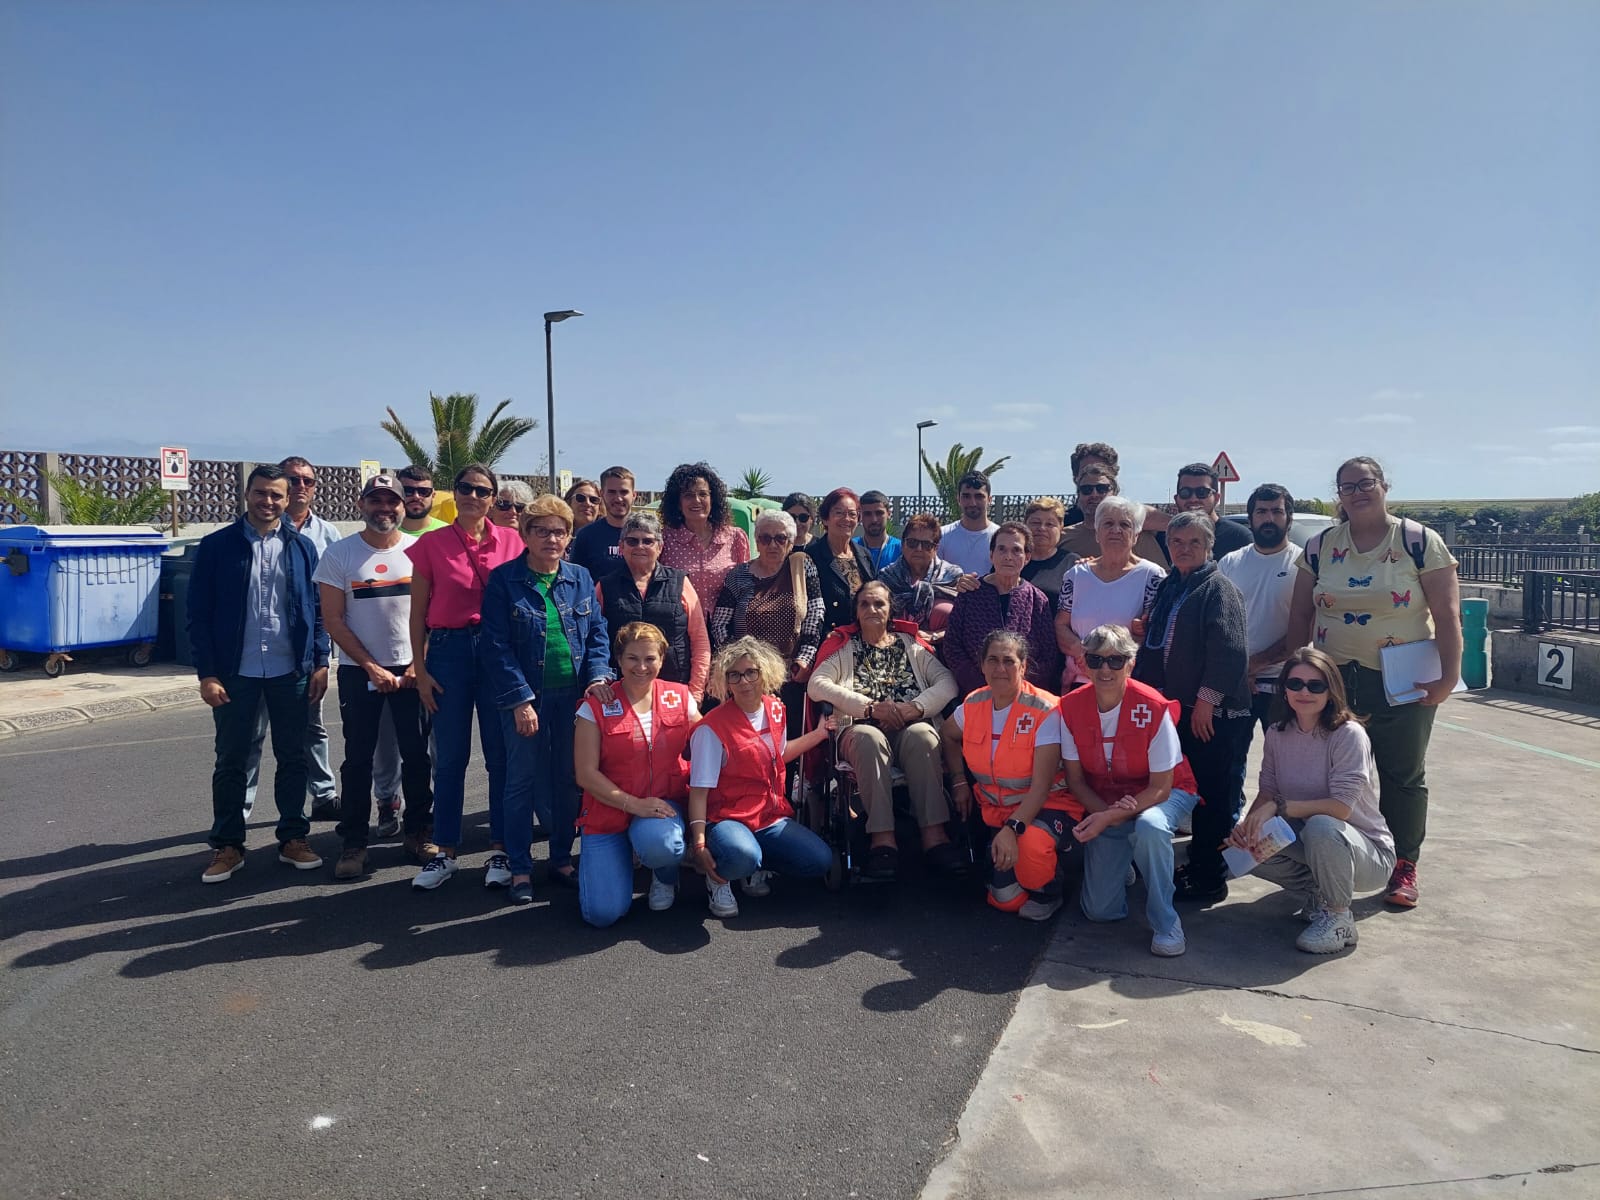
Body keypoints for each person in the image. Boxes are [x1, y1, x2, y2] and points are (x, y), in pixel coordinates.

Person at [1287, 455, 1460, 909]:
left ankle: (1403, 863)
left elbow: (1447, 615)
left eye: (1365, 483)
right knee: (1332, 773)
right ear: (1338, 495)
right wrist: (1297, 676)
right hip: (1333, 681)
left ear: (1384, 486)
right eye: (1347, 487)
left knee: (1402, 773)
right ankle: (1330, 862)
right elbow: (1301, 615)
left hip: (1403, 679)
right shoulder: (1320, 546)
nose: (1357, 492)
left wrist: (1448, 677)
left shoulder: (1419, 541)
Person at [187, 464, 329, 883]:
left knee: (294, 757)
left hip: (291, 670)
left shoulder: (302, 548)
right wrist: (207, 674)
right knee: (232, 759)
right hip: (236, 672)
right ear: (247, 495)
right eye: (261, 493)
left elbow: (318, 610)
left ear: (288, 500)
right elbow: (198, 616)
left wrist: (321, 661)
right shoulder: (217, 546)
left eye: (276, 495)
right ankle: (228, 845)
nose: (268, 501)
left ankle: (293, 838)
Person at [482, 496, 614, 901]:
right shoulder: (504, 580)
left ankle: (560, 858)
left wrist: (597, 676)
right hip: (526, 698)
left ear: (569, 536)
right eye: (541, 531)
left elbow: (597, 632)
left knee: (568, 779)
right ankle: (520, 868)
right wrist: (520, 701)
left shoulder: (580, 577)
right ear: (525, 534)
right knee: (521, 782)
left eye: (559, 531)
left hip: (572, 698)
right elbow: (495, 646)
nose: (551, 539)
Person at [1228, 648, 1396, 954]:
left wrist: (1280, 807)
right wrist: (1247, 828)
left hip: (1367, 854)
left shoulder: (1348, 735)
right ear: (1284, 689)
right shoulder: (1277, 733)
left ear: (1331, 691)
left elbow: (1341, 808)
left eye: (1315, 685)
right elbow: (1267, 792)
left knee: (1321, 826)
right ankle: (1318, 895)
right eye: (1295, 684)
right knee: (1247, 846)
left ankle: (1339, 918)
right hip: (1312, 841)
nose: (1304, 692)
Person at [407, 462, 524, 889]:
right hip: (449, 650)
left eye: (482, 490)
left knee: (500, 756)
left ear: (493, 499)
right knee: (451, 756)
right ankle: (445, 852)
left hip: (496, 651)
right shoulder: (432, 543)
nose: (473, 496)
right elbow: (416, 613)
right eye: (465, 488)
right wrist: (420, 670)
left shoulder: (512, 541)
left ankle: (500, 848)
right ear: (453, 493)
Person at [314, 475, 434, 880]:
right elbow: (333, 619)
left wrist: (418, 662)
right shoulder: (339, 554)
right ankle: (353, 843)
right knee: (358, 760)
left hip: (412, 669)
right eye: (376, 501)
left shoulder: (419, 551)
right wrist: (371, 667)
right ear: (361, 505)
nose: (384, 508)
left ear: (403, 507)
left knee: (417, 756)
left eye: (391, 501)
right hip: (358, 671)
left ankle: (418, 833)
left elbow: (433, 613)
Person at [1133, 511, 1252, 905]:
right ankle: (1197, 864)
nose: (1184, 549)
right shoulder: (1172, 586)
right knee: (1191, 790)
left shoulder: (1218, 589)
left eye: (1194, 542)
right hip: (1179, 710)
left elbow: (1229, 651)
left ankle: (1210, 876)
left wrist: (1206, 702)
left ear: (1208, 547)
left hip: (1212, 715)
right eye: (1177, 542)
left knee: (1214, 796)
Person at [806, 581, 962, 880]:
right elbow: (817, 685)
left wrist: (915, 708)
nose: (872, 609)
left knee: (923, 736)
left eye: (879, 603)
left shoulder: (911, 646)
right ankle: (882, 841)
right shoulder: (844, 647)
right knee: (870, 737)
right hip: (860, 729)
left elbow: (947, 682)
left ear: (891, 610)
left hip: (909, 725)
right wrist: (868, 708)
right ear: (856, 611)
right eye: (864, 604)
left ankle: (934, 837)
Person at [1063, 624, 1203, 956]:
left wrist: (1110, 817)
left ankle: (1166, 923)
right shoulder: (1069, 707)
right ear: (1084, 664)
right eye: (1095, 660)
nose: (1105, 669)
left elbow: (1161, 787)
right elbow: (1076, 781)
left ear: (1131, 664)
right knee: (1099, 911)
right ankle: (1125, 856)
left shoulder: (1153, 706)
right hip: (1107, 801)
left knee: (1150, 827)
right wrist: (1108, 815)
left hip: (1164, 793)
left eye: (1115, 660)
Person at [687, 637, 836, 919]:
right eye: (734, 675)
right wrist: (699, 843)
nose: (744, 681)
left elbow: (779, 754)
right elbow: (698, 792)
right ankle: (719, 879)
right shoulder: (711, 728)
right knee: (743, 855)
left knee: (820, 860)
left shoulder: (776, 709)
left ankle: (753, 864)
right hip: (727, 818)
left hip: (768, 816)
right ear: (726, 681)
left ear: (764, 673)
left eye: (751, 672)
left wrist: (818, 735)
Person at [939, 630, 1076, 920]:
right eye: (993, 660)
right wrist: (959, 780)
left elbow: (1041, 788)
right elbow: (947, 735)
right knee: (1006, 900)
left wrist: (1013, 829)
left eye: (1009, 661)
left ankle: (1050, 888)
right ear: (982, 665)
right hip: (997, 811)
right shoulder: (973, 704)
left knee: (1032, 845)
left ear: (1023, 666)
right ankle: (1017, 861)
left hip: (1047, 806)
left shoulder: (1044, 710)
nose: (1000, 668)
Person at [573, 622, 700, 925]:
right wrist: (635, 805)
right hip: (610, 811)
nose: (641, 667)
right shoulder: (596, 705)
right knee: (602, 915)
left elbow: (710, 740)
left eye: (650, 658)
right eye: (632, 658)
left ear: (662, 660)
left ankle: (664, 874)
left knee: (662, 846)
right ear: (618, 659)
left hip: (661, 807)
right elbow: (585, 774)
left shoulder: (680, 697)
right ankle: (623, 857)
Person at [244, 455, 341, 822]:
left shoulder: (327, 535)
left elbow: (326, 601)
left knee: (310, 728)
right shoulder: (251, 531)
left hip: (302, 655)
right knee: (251, 736)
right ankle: (240, 812)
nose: (301, 486)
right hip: (253, 656)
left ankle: (323, 795)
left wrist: (322, 657)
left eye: (307, 481)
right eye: (293, 480)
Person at [712, 510, 823, 738]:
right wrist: (735, 664)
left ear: (790, 542)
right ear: (757, 541)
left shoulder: (801, 567)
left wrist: (806, 657)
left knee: (787, 738)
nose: (773, 545)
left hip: (791, 674)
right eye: (765, 538)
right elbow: (720, 623)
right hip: (747, 676)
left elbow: (815, 613)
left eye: (780, 538)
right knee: (749, 737)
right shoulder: (738, 575)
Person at [594, 511, 711, 701]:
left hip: (674, 691)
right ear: (621, 546)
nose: (640, 546)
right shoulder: (605, 586)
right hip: (620, 693)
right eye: (632, 541)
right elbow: (595, 639)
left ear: (660, 547)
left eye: (648, 541)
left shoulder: (680, 582)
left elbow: (700, 640)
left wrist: (695, 693)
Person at [1055, 496, 1165, 688]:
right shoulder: (1075, 576)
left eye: (1124, 524)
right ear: (1097, 533)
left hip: (1128, 684)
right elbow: (1061, 625)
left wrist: (1108, 660)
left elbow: (1152, 633)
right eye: (1108, 523)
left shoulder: (1152, 576)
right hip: (1081, 683)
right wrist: (1083, 653)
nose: (1116, 530)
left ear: (1136, 535)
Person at [1218, 483, 1303, 731]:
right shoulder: (1230, 563)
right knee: (1229, 754)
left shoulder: (1304, 565)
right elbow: (1218, 623)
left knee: (1286, 753)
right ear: (1251, 518)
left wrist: (1255, 664)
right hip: (1235, 682)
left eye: (1277, 511)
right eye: (1261, 512)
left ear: (1289, 518)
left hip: (1285, 682)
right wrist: (1239, 668)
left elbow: (1306, 625)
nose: (1269, 518)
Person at [944, 523, 1060, 698]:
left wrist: (1017, 687)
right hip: (975, 694)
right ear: (991, 555)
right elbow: (952, 645)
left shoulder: (1038, 600)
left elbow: (1047, 654)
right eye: (1002, 549)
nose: (1008, 557)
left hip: (1024, 697)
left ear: (1027, 557)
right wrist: (981, 686)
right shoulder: (970, 593)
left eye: (1016, 550)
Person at [660, 462, 751, 611]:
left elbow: (745, 586)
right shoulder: (665, 539)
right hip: (680, 622)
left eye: (703, 494)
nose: (696, 500)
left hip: (724, 623)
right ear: (678, 503)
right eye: (688, 495)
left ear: (712, 499)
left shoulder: (735, 537)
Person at [878, 512, 971, 636]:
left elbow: (965, 620)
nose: (919, 549)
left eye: (927, 545)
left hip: (945, 645)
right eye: (912, 543)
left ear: (936, 548)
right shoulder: (886, 578)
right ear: (903, 544)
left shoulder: (953, 576)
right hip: (895, 645)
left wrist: (935, 636)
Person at [803, 487, 877, 637]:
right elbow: (805, 607)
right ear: (825, 518)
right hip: (829, 639)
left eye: (852, 514)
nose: (846, 519)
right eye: (839, 513)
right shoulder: (812, 556)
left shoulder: (864, 555)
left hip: (864, 637)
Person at [1059, 462, 1166, 564]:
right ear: (1079, 495)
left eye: (1102, 489)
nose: (1094, 494)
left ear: (1114, 493)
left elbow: (1159, 575)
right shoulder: (1062, 537)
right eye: (1086, 489)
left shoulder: (1136, 536)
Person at [1154, 463, 1252, 561]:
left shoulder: (1239, 538)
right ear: (1176, 498)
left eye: (1202, 492)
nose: (1193, 499)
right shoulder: (1164, 537)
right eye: (1185, 492)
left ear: (1216, 498)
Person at [567, 465, 635, 578]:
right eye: (612, 492)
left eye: (624, 492)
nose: (618, 498)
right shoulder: (585, 536)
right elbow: (575, 579)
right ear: (602, 494)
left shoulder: (647, 536)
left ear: (634, 495)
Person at [939, 471, 1000, 576]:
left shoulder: (1001, 537)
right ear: (958, 499)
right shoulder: (942, 536)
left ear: (989, 500)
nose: (973, 503)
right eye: (966, 496)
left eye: (979, 496)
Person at [1020, 497, 1076, 604]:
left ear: (1061, 527)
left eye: (1049, 524)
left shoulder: (1072, 564)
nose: (1042, 528)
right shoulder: (1012, 558)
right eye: (1035, 523)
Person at [1062, 442, 1119, 525]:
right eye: (1086, 470)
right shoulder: (1061, 524)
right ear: (1075, 478)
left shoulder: (1132, 521)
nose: (1093, 475)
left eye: (1101, 469)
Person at [854, 490, 902, 572]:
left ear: (889, 514)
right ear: (860, 516)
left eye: (879, 513)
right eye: (868, 514)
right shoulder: (851, 548)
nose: (874, 520)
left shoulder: (901, 549)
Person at [397, 464, 448, 537]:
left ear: (433, 495)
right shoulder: (383, 534)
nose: (416, 496)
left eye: (423, 491)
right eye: (408, 491)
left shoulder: (449, 534)